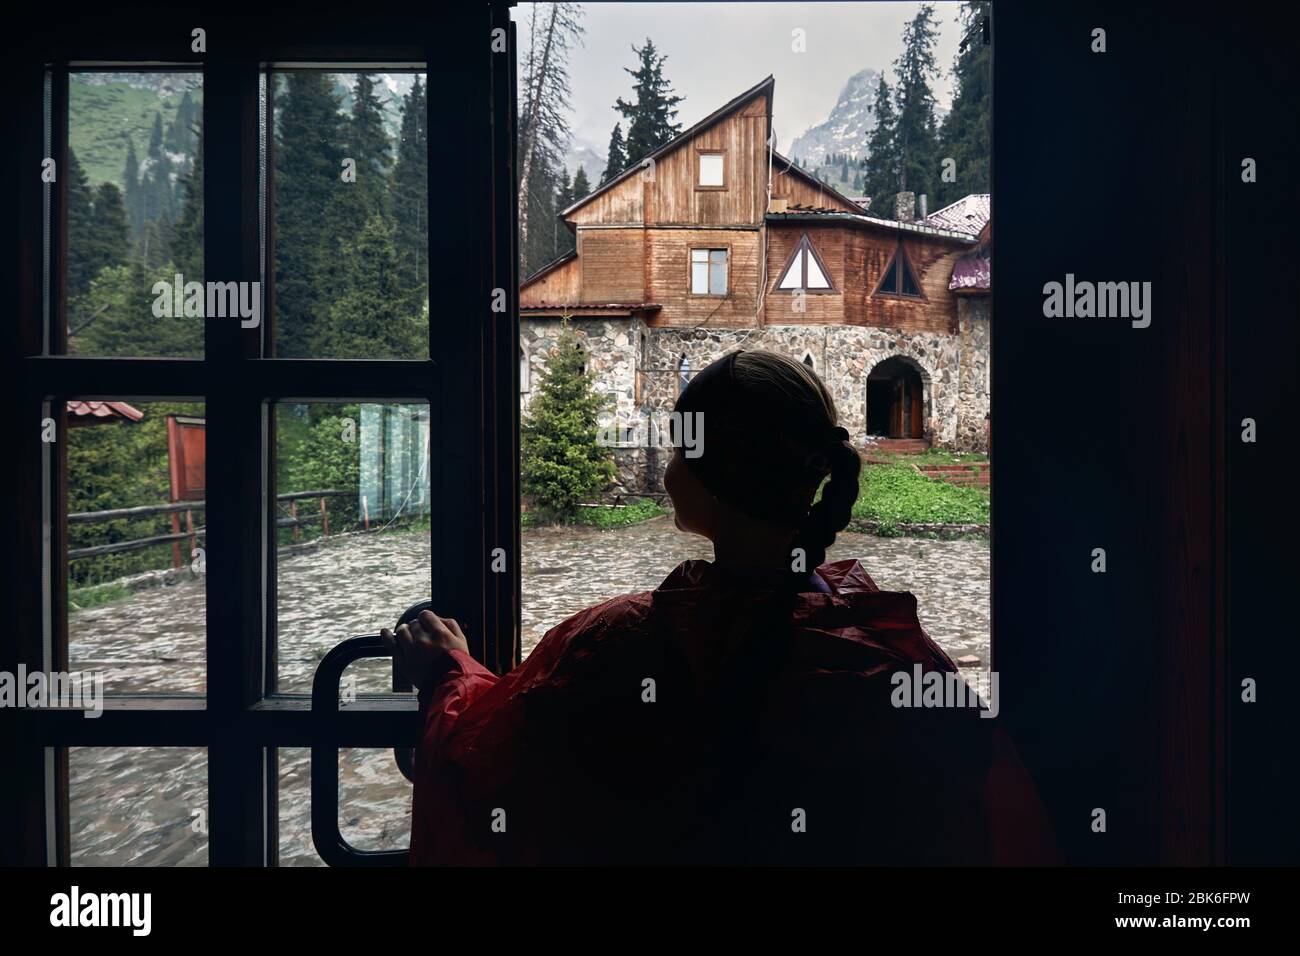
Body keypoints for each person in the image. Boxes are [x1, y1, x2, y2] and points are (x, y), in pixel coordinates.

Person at [384, 349, 1058, 865]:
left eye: (681, 446)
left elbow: (485, 774)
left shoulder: (616, 645)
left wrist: (451, 674)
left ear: (705, 479)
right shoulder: (895, 653)